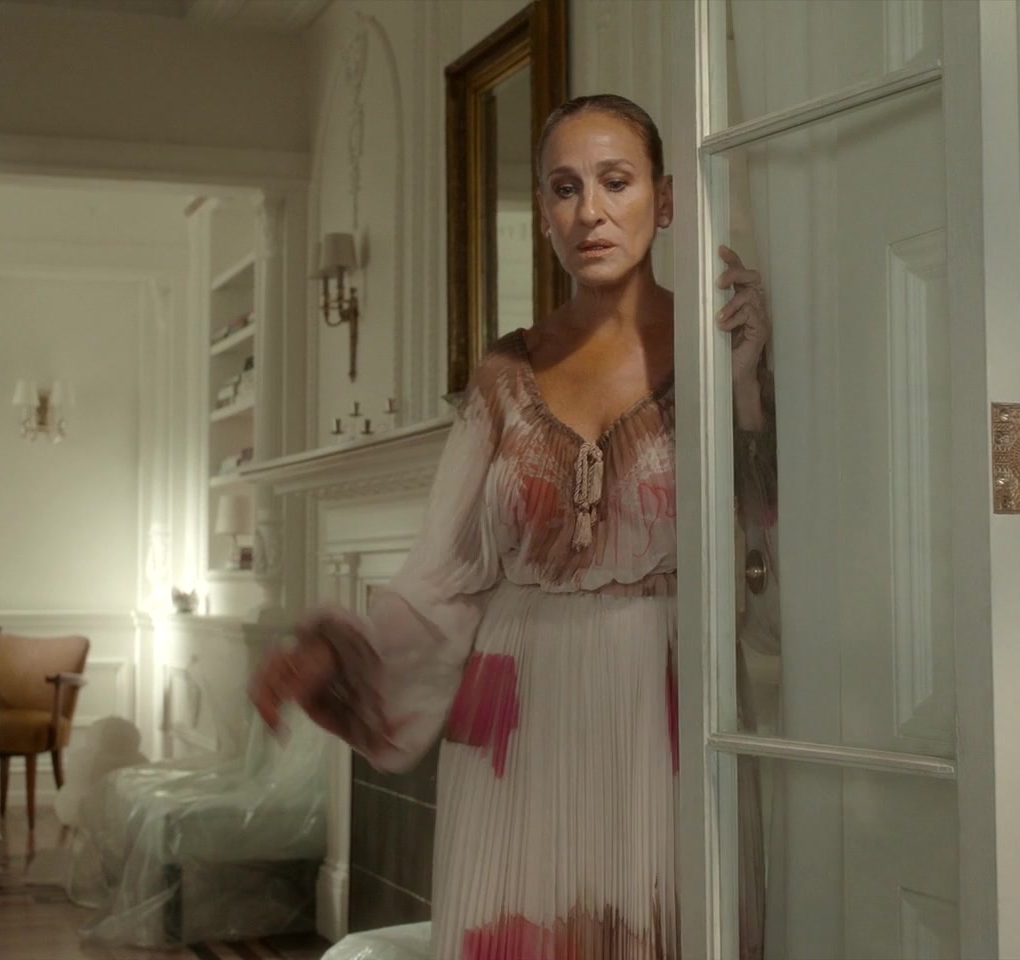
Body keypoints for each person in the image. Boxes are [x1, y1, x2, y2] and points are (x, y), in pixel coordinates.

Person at [249, 94, 773, 960]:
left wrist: (747, 386)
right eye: (566, 189)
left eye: (616, 182)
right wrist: (331, 655)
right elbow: (443, 573)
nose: (590, 211)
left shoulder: (718, 347)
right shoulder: (505, 371)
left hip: (666, 707)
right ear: (544, 213)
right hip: (521, 724)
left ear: (667, 199)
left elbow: (768, 548)